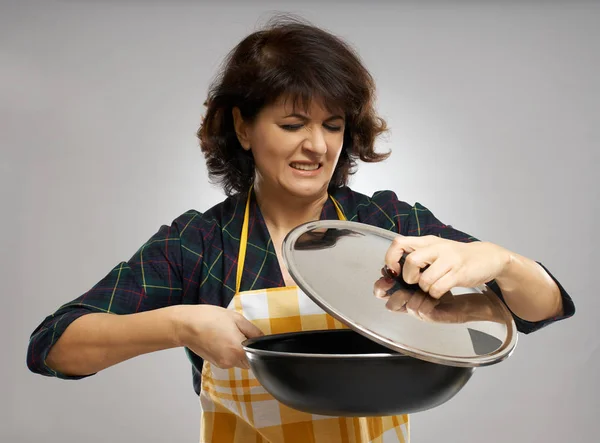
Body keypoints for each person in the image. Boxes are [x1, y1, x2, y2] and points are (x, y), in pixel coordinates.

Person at [27, 16, 575, 443]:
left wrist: (500, 261)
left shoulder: (387, 224)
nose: (318, 146)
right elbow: (53, 347)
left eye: (333, 126)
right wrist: (178, 324)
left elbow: (540, 308)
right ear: (241, 126)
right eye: (293, 125)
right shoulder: (201, 244)